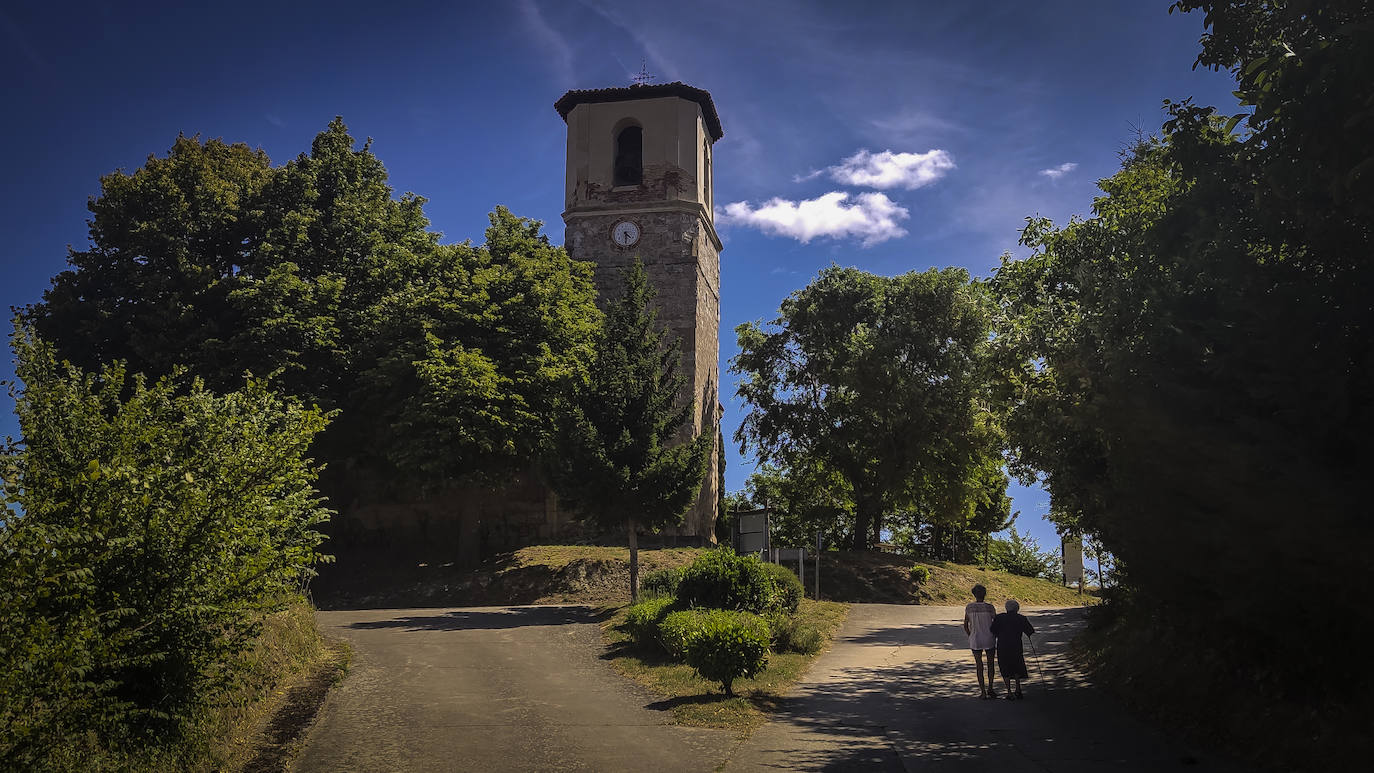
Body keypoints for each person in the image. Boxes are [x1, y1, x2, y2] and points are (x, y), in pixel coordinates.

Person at [989, 599, 1035, 700]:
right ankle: (1018, 689)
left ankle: (1009, 692)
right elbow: (1030, 631)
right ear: (1017, 609)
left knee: (1004, 667)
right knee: (1016, 666)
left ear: (1006, 608)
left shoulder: (1000, 618)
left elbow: (992, 630)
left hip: (1003, 646)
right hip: (1016, 645)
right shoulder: (1021, 618)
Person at [963, 584, 998, 699]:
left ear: (974, 594)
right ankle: (990, 688)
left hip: (976, 638)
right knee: (990, 664)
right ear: (985, 594)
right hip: (989, 638)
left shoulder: (969, 607)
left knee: (979, 665)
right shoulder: (990, 607)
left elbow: (966, 624)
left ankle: (982, 692)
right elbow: (996, 623)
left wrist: (970, 635)